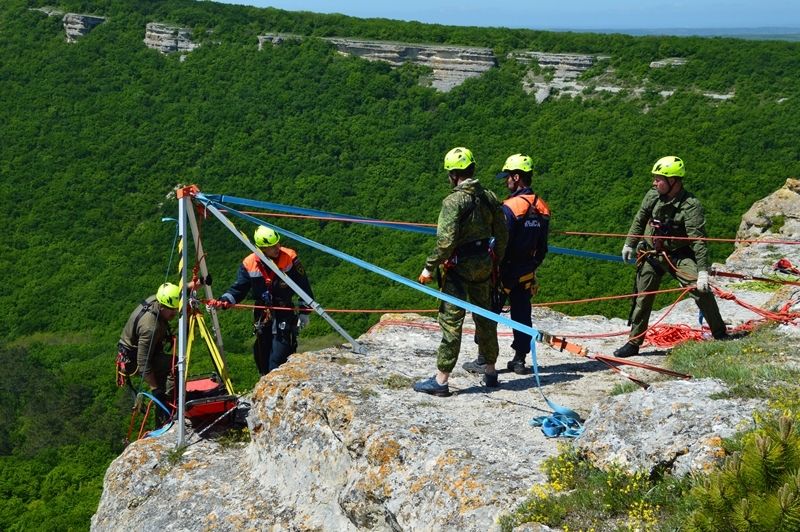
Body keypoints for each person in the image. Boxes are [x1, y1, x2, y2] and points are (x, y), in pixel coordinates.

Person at [413, 147, 509, 396]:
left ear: (454, 175)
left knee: (451, 321)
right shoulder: (489, 197)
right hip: (484, 265)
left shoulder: (453, 201)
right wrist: (495, 259)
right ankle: (490, 371)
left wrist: (429, 267)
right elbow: (502, 234)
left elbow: (445, 242)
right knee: (486, 317)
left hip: (458, 268)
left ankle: (442, 380)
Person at [615, 155, 728, 357]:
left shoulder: (690, 206)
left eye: (658, 179)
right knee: (643, 298)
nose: (654, 182)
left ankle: (719, 333)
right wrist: (629, 243)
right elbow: (640, 218)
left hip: (678, 255)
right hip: (652, 253)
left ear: (673, 181)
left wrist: (702, 271)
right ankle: (633, 343)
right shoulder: (652, 195)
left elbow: (698, 240)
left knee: (700, 290)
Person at [462, 153, 550, 375]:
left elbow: (500, 242)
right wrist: (531, 266)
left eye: (509, 177)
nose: (506, 181)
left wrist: (493, 267)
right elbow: (543, 247)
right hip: (526, 272)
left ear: (517, 177)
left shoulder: (510, 208)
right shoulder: (542, 208)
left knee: (488, 314)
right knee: (522, 315)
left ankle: (484, 359)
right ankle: (519, 360)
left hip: (504, 271)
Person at [213, 226, 313, 375]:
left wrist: (305, 310)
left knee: (279, 355)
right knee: (262, 354)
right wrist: (225, 300)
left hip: (283, 310)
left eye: (277, 244)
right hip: (262, 313)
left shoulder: (289, 257)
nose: (277, 248)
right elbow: (240, 288)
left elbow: (303, 284)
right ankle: (264, 382)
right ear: (261, 248)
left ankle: (276, 380)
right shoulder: (249, 263)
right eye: (271, 247)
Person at [118, 282, 180, 424]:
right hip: (134, 361)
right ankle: (169, 407)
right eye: (172, 310)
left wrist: (198, 283)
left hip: (142, 352)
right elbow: (143, 363)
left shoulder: (157, 299)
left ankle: (167, 408)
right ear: (163, 306)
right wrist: (155, 389)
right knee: (174, 363)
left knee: (168, 365)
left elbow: (180, 292)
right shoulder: (150, 328)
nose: (175, 313)